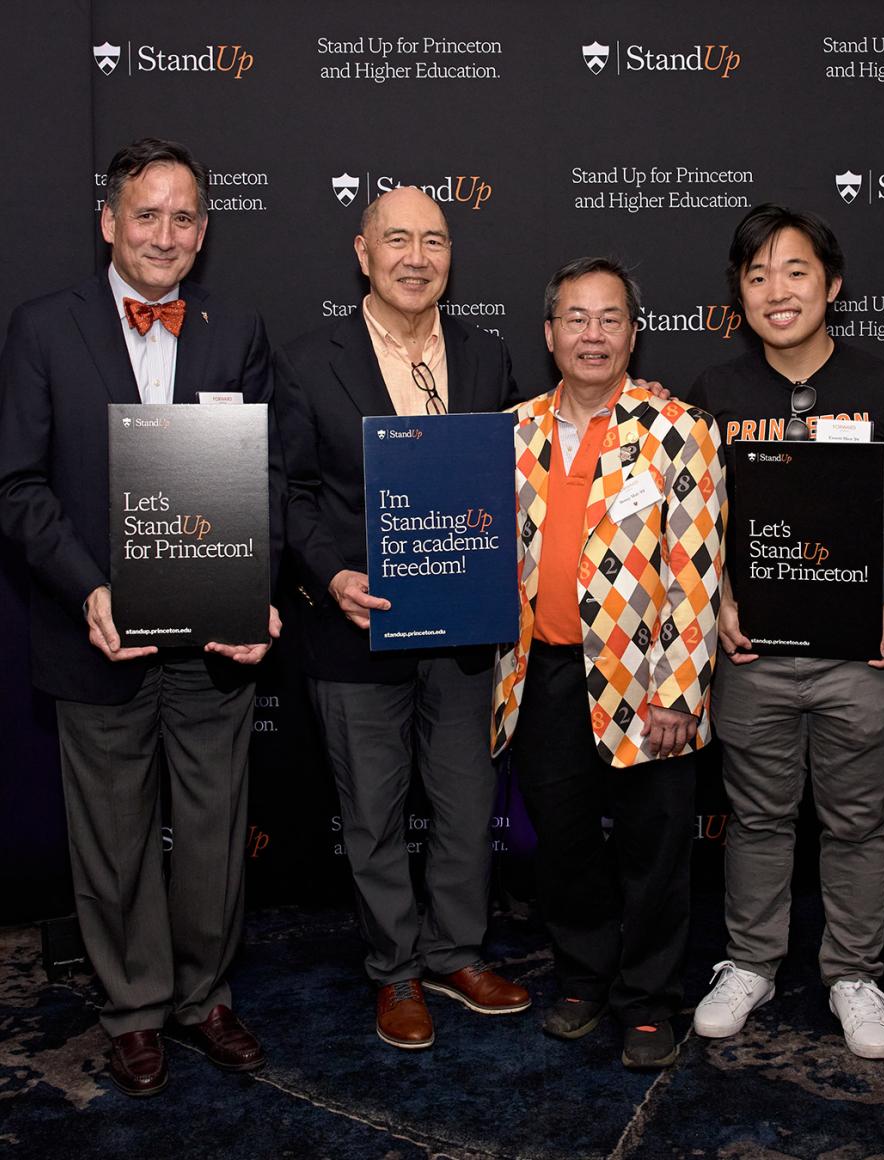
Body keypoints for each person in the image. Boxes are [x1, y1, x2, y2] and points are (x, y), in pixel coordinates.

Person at [0, 138, 281, 1096]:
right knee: (114, 838)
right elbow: (20, 487)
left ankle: (203, 998)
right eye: (147, 214)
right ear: (110, 221)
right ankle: (131, 1010)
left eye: (185, 217)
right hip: (98, 637)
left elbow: (265, 476)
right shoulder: (43, 328)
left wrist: (255, 592)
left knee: (212, 831)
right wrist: (89, 587)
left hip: (213, 641)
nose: (166, 233)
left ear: (204, 234)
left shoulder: (236, 332)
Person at [274, 187, 529, 1051]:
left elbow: (511, 485)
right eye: (398, 241)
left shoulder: (489, 358)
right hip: (355, 630)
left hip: (461, 627)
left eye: (435, 240)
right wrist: (332, 575)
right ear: (362, 251)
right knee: (372, 814)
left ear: (451, 256)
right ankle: (395, 972)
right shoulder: (310, 360)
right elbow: (292, 497)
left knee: (466, 804)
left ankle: (457, 953)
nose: (417, 257)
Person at [685, 205, 884, 1059]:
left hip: (859, 655)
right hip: (755, 656)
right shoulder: (715, 392)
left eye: (795, 271)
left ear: (832, 284)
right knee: (755, 818)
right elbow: (692, 515)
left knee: (858, 821)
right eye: (757, 276)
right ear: (739, 296)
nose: (777, 291)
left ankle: (854, 974)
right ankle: (749, 961)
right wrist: (717, 606)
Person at [491, 257, 726, 1070]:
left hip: (647, 682)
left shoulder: (680, 429)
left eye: (611, 319)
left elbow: (697, 574)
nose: (593, 336)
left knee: (656, 850)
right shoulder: (512, 429)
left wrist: (680, 695)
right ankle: (585, 978)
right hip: (545, 677)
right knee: (562, 847)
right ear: (550, 332)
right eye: (577, 319)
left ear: (635, 330)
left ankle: (649, 999)